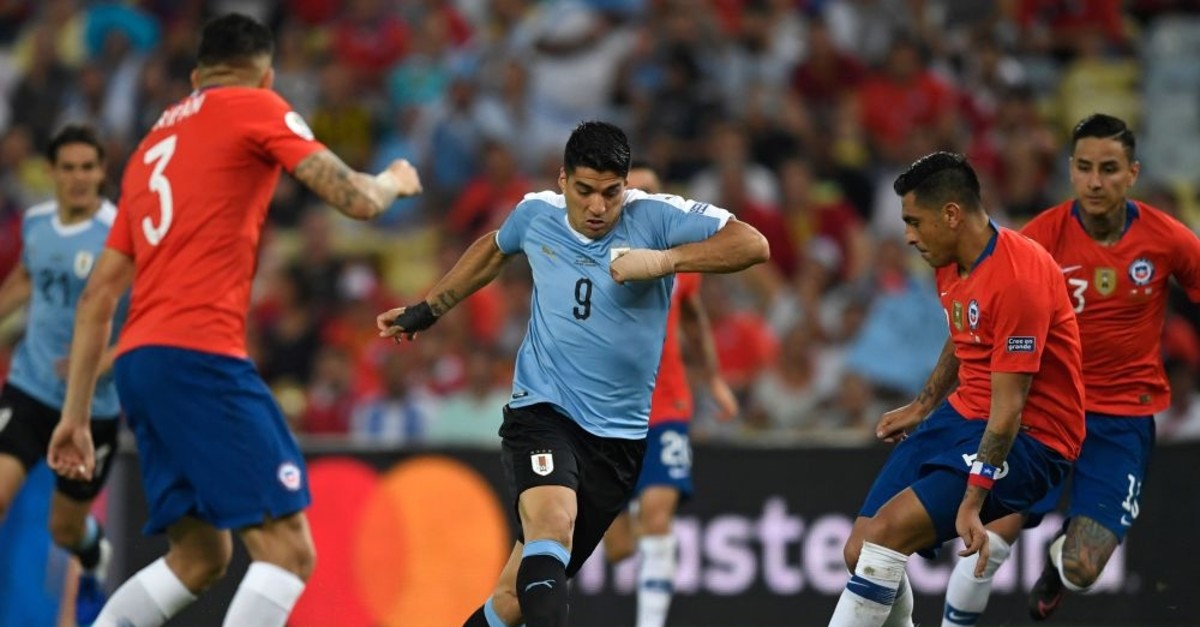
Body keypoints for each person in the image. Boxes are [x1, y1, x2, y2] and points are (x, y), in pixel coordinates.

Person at [45, 13, 422, 627]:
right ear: (266, 75)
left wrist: (76, 417)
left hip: (141, 363)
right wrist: (395, 180)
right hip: (199, 353)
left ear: (196, 77)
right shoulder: (256, 104)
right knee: (289, 552)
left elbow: (97, 299)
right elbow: (357, 199)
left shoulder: (146, 152)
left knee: (200, 557)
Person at [376, 121, 769, 627]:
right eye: (585, 191)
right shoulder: (536, 213)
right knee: (552, 526)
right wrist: (428, 309)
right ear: (563, 180)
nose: (598, 207)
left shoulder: (657, 217)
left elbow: (752, 244)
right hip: (543, 412)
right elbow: (495, 248)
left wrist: (666, 260)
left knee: (513, 599)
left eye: (611, 193)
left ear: (627, 186)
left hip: (619, 439)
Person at [939, 114, 1200, 625]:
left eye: (1109, 169)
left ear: (1133, 174)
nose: (1095, 181)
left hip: (1121, 417)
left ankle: (1058, 569)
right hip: (1044, 408)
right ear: (1072, 171)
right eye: (1084, 168)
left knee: (1083, 567)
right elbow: (981, 315)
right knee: (988, 538)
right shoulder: (1039, 241)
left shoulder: (1168, 239)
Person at [829, 152, 1085, 627]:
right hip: (964, 415)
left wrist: (973, 502)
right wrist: (923, 404)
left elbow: (1008, 411)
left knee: (885, 537)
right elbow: (964, 327)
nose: (907, 235)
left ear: (951, 214)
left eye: (914, 221)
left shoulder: (1019, 279)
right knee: (860, 550)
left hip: (1034, 439)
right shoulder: (949, 258)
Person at [598, 163, 739, 627]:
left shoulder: (681, 263)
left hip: (667, 405)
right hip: (605, 412)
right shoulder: (594, 260)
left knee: (658, 517)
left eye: (651, 193)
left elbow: (694, 320)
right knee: (618, 548)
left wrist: (714, 379)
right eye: (632, 193)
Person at [0, 124, 122, 625]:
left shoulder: (122, 235)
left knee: (65, 530)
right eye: (68, 168)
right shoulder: (36, 224)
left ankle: (94, 553)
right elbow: (25, 278)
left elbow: (151, 320)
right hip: (30, 390)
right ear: (50, 172)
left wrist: (97, 361)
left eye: (87, 168)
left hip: (94, 407)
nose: (78, 178)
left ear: (102, 172)